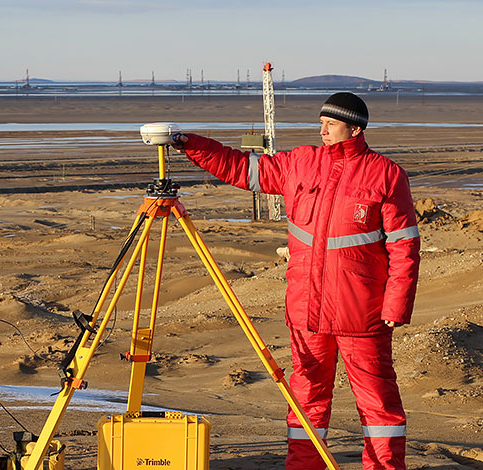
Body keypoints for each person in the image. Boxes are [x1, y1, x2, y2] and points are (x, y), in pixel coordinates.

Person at [172, 92, 420, 470]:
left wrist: (396, 305)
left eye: (330, 124)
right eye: (320, 122)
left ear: (354, 128)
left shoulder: (385, 174)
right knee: (305, 399)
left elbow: (405, 246)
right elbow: (243, 168)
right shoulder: (301, 163)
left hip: (362, 314)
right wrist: (191, 145)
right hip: (306, 311)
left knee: (378, 401)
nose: (321, 130)